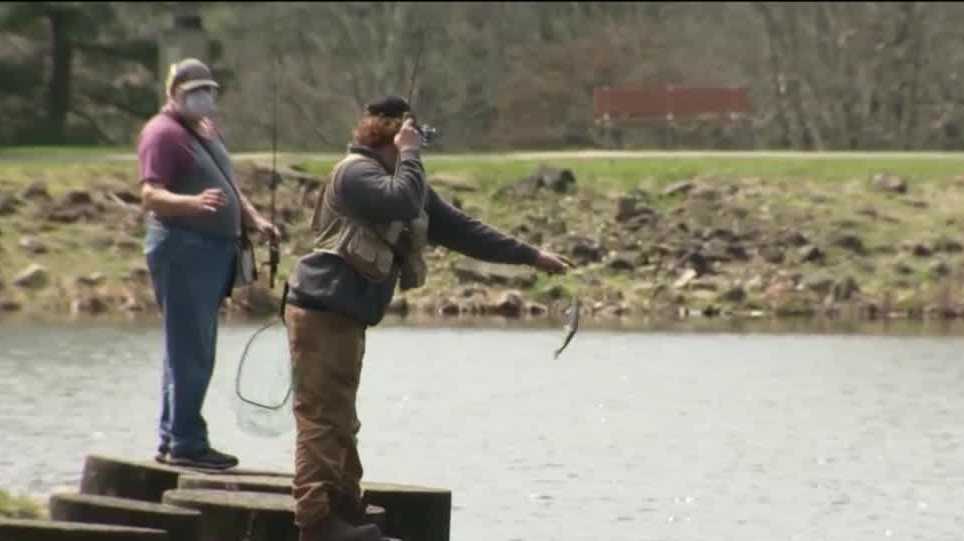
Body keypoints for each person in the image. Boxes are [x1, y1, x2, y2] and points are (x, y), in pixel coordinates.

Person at [284, 96, 572, 541]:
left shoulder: (402, 182)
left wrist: (531, 256)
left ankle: (344, 510)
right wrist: (412, 153)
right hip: (322, 312)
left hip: (344, 316)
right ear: (391, 136)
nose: (418, 147)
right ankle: (317, 525)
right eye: (409, 136)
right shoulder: (357, 173)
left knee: (342, 419)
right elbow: (399, 200)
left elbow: (461, 229)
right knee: (322, 418)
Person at [137, 58, 279, 470]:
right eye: (193, 90)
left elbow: (228, 185)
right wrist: (192, 204)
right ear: (172, 93)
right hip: (184, 249)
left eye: (209, 89)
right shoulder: (161, 134)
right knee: (190, 351)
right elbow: (150, 196)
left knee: (191, 348)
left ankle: (174, 438)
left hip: (215, 251)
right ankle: (187, 443)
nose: (203, 97)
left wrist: (253, 219)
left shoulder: (205, 131)